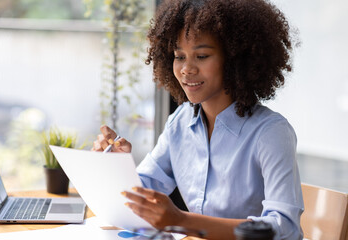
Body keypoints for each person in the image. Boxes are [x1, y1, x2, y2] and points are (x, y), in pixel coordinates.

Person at [92, 0, 304, 239]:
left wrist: (183, 221)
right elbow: (144, 195)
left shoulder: (270, 133)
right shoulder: (181, 122)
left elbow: (285, 229)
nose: (186, 69)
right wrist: (119, 166)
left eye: (201, 56)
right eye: (179, 56)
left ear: (235, 58)